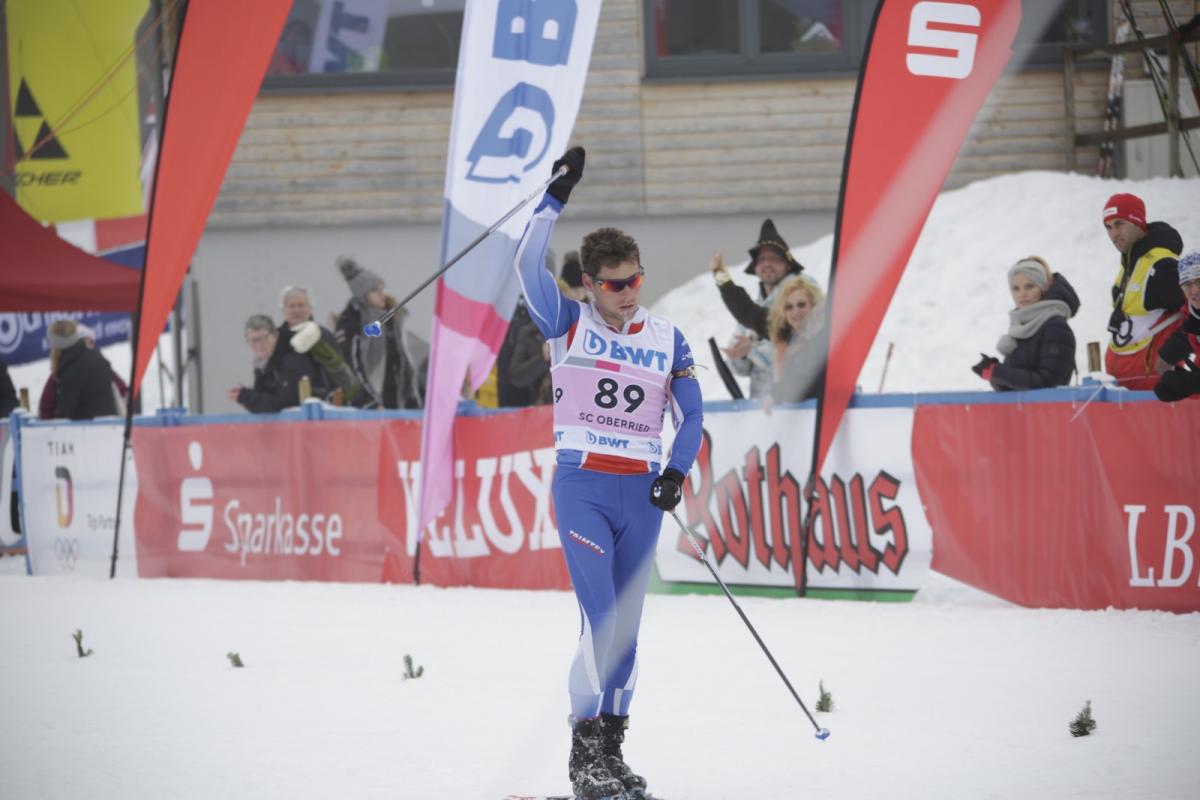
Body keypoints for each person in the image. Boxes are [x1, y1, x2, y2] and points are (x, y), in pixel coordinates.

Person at [513, 146, 702, 800]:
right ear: (590, 283)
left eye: (635, 280)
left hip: (641, 494)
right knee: (602, 621)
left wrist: (676, 472)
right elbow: (523, 264)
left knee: (629, 630)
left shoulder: (668, 338)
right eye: (614, 284)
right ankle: (583, 756)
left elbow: (694, 414)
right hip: (585, 487)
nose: (627, 294)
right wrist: (553, 200)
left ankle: (612, 751)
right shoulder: (566, 323)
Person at [711, 219, 806, 397]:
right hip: (760, 410)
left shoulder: (804, 297)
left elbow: (801, 353)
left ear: (787, 264)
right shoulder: (755, 308)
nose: (767, 264)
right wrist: (741, 354)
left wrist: (752, 350)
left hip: (800, 407)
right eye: (761, 259)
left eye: (774, 258)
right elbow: (738, 368)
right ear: (755, 266)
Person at [1101, 193, 1185, 390]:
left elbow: (1194, 315)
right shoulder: (1131, 260)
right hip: (1129, 391)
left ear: (1138, 222)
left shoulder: (1162, 265)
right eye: (1108, 227)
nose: (1113, 234)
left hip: (1157, 394)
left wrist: (1170, 354)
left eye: (1120, 223)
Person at [971, 257, 1080, 392]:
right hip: (1024, 412)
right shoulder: (1020, 326)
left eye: (1029, 286)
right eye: (1016, 288)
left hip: (1049, 412)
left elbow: (1049, 384)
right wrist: (993, 373)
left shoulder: (1055, 327)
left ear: (1042, 288)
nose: (1022, 294)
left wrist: (998, 372)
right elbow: (1010, 390)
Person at [333, 256, 423, 409]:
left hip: (401, 399)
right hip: (373, 404)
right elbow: (351, 366)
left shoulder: (393, 318)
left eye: (382, 289)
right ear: (362, 294)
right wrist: (369, 401)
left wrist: (415, 395)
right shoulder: (351, 322)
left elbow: (409, 358)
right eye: (375, 291)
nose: (382, 294)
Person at [229, 312, 361, 412]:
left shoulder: (291, 357)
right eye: (253, 340)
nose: (259, 345)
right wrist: (247, 395)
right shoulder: (263, 364)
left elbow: (286, 403)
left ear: (274, 336)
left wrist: (247, 397)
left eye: (263, 338)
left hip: (316, 430)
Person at [38, 324, 128, 419]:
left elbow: (122, 389)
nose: (88, 346)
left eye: (91, 342)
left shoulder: (100, 364)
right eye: (84, 342)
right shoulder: (62, 371)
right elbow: (47, 406)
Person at [767, 274, 826, 404]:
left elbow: (805, 388)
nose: (795, 312)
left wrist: (778, 393)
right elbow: (750, 314)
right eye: (789, 307)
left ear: (814, 306)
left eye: (801, 305)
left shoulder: (824, 338)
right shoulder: (788, 343)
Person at [1154, 251, 1200, 402]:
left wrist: (1192, 383)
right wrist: (1182, 388)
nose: (1194, 291)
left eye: (1199, 281)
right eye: (1187, 284)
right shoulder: (1193, 318)